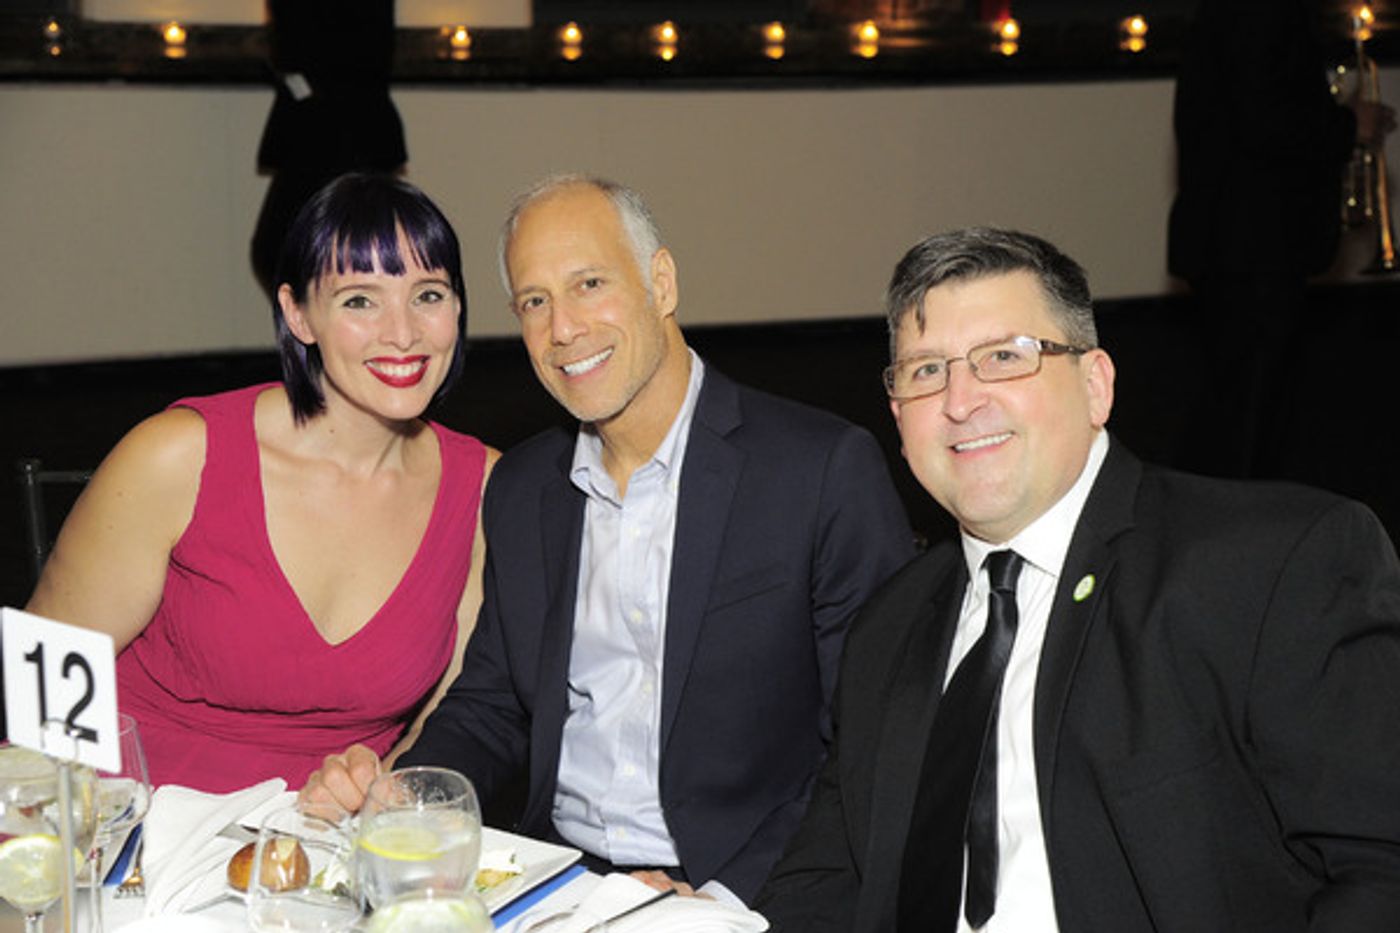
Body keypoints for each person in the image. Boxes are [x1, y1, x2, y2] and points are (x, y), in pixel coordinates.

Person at [757, 227, 1400, 931]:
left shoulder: (1266, 566)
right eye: (926, 371)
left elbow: (1379, 871)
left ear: (1095, 384)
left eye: (1004, 356)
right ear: (897, 416)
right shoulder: (890, 626)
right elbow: (822, 885)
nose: (961, 400)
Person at [303, 174, 914, 902]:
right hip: (553, 882)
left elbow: (870, 747)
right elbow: (494, 701)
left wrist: (721, 897)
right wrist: (407, 794)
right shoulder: (526, 486)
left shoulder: (818, 470)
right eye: (535, 301)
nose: (563, 329)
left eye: (589, 283)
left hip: (740, 888)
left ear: (660, 282)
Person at [26, 173, 497, 792]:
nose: (403, 332)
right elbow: (44, 693)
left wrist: (388, 801)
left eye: (428, 295)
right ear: (298, 314)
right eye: (359, 300)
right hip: (128, 819)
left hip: (321, 853)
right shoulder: (179, 456)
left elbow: (452, 715)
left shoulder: (486, 488)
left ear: (458, 307)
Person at [1167, 0, 1395, 477]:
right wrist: (1351, 125)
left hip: (1244, 239)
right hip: (1253, 241)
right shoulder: (1258, 11)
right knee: (1244, 419)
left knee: (1240, 408)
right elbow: (1263, 118)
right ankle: (1227, 536)